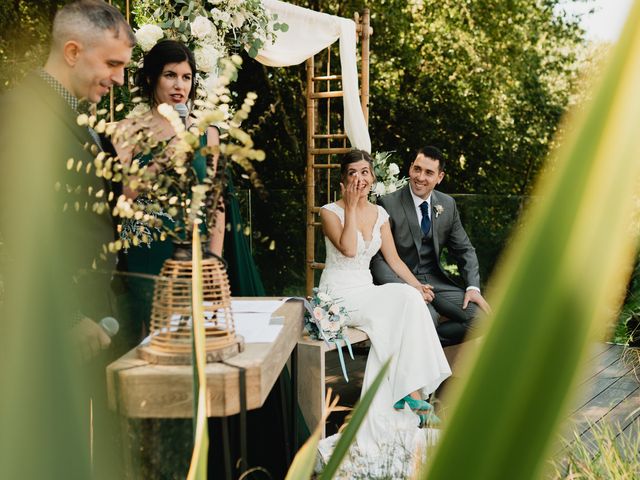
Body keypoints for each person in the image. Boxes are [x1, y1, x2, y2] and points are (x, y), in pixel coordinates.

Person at [0, 1, 134, 477]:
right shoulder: (21, 112)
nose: (119, 78)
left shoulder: (73, 114)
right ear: (73, 51)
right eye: (113, 64)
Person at [316, 150, 451, 477]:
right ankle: (413, 392)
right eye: (353, 173)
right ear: (343, 179)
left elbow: (394, 261)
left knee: (409, 298)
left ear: (372, 178)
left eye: (365, 172)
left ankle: (408, 393)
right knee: (396, 308)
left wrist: (417, 285)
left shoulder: (379, 215)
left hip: (366, 289)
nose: (360, 179)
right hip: (337, 295)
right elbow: (348, 248)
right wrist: (349, 208)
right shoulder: (329, 212)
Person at [114, 39, 225, 339]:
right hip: (145, 251)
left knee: (191, 343)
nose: (180, 85)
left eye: (186, 77)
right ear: (151, 77)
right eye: (170, 75)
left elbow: (216, 202)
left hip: (193, 253)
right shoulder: (128, 129)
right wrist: (165, 154)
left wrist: (214, 260)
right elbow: (122, 195)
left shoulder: (207, 133)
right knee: (147, 345)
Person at [371, 146, 491, 347]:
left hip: (435, 282)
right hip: (402, 281)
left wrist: (473, 288)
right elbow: (377, 261)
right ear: (410, 169)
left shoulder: (447, 205)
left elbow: (464, 250)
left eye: (429, 173)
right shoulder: (388, 204)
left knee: (482, 319)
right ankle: (419, 354)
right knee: (426, 319)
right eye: (417, 169)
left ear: (440, 177)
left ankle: (419, 344)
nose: (420, 177)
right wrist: (408, 289)